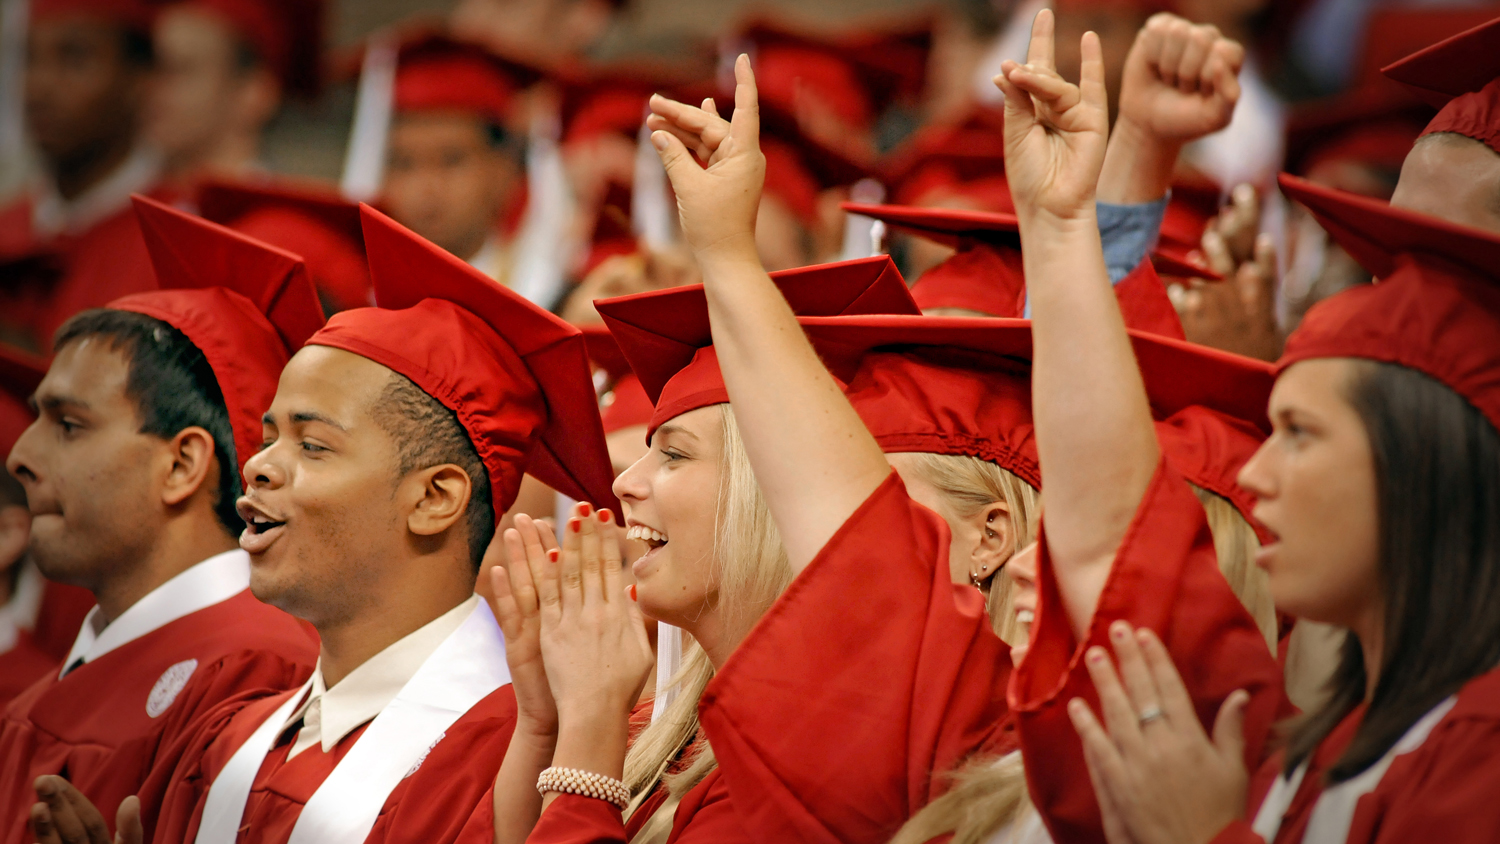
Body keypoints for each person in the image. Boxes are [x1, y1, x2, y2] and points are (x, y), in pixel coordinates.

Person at [28, 203, 620, 844]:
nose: (257, 467)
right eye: (267, 437)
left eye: (312, 446)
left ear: (435, 498)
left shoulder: (508, 757)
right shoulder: (228, 739)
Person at [477, 253, 919, 843]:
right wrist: (542, 720)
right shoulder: (659, 733)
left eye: (675, 455)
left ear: (769, 490)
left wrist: (588, 723)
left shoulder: (811, 766)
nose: (622, 484)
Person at [0, 195, 324, 844]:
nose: (21, 458)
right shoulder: (46, 695)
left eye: (68, 425)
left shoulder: (255, 667)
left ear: (182, 465)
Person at [0, 0, 163, 352]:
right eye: (30, 59)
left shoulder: (171, 249)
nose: (38, 87)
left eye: (74, 58)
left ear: (140, 79)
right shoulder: (8, 228)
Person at [380, 33, 538, 285]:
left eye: (451, 160)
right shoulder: (361, 299)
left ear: (504, 170)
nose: (427, 187)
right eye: (404, 164)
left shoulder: (544, 288)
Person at [145, 0, 323, 192]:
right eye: (151, 66)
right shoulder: (130, 209)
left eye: (180, 69)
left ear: (254, 94)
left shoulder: (275, 218)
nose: (151, 87)